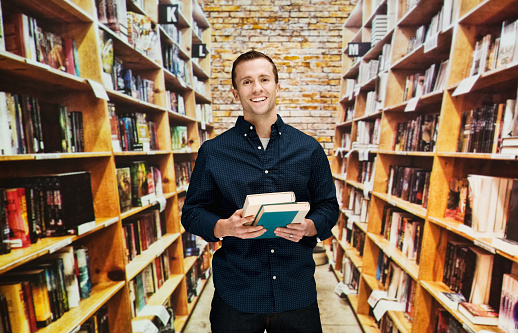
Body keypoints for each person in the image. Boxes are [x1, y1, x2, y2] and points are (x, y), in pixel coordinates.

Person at [181, 50, 339, 333]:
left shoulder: (309, 149)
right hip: (237, 293)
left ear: (278, 87)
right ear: (235, 92)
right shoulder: (214, 152)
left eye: (264, 79)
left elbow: (328, 206)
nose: (257, 88)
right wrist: (224, 226)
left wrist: (310, 226)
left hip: (296, 291)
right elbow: (192, 213)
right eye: (247, 82)